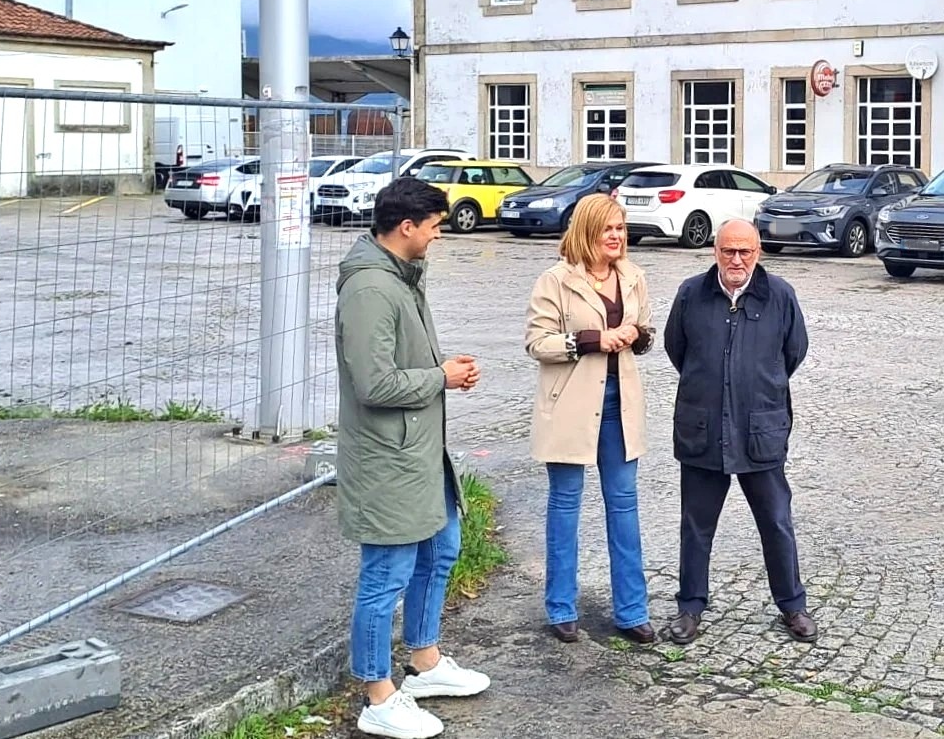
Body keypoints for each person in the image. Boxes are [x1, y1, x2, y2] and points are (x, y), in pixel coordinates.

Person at [335, 176, 491, 739]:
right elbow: (374, 384)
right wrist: (439, 377)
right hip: (388, 459)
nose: (438, 236)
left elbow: (403, 365)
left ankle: (424, 663)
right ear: (406, 227)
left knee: (441, 549)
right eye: (434, 226)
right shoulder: (370, 289)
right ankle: (378, 696)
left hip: (420, 453)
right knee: (385, 576)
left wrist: (443, 373)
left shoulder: (401, 276)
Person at [662, 219, 816, 646]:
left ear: (757, 253)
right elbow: (677, 348)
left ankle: (792, 605)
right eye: (728, 251)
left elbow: (794, 351)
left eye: (744, 252)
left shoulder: (780, 295)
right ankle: (690, 606)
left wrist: (757, 386)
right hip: (703, 428)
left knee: (776, 521)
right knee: (696, 525)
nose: (736, 260)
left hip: (759, 429)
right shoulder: (691, 293)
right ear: (715, 252)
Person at [524, 193, 658, 645]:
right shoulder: (555, 280)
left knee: (624, 505)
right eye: (608, 229)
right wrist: (592, 339)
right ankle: (561, 607)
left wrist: (636, 334)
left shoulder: (634, 276)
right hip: (571, 404)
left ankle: (632, 610)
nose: (616, 237)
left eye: (620, 228)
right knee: (566, 504)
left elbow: (645, 332)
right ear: (587, 231)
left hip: (621, 404)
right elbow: (537, 343)